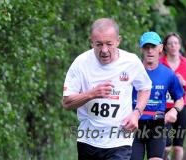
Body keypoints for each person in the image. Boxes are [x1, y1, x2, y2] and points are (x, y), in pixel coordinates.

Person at [62, 18, 152, 160]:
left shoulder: (131, 61)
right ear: (91, 42)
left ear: (118, 41)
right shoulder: (81, 63)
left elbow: (145, 88)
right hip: (88, 139)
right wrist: (92, 94)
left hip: (120, 140)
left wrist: (136, 113)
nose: (104, 50)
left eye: (109, 44)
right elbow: (66, 103)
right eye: (99, 44)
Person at [131, 32, 184, 160]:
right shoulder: (131, 71)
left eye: (153, 47)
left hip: (157, 126)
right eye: (146, 47)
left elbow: (180, 99)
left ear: (160, 48)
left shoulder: (168, 74)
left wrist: (174, 110)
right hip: (134, 125)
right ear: (141, 49)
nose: (150, 51)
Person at [159, 32, 186, 160]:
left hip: (182, 107)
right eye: (170, 44)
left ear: (180, 46)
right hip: (163, 107)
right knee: (165, 146)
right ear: (165, 47)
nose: (173, 46)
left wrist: (184, 83)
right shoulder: (159, 63)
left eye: (175, 43)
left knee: (178, 147)